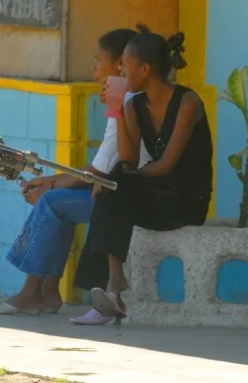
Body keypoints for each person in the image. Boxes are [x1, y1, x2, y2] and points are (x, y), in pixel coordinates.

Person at [0, 28, 151, 325]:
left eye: (99, 60)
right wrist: (51, 181)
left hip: (128, 199)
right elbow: (101, 163)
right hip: (114, 190)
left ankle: (32, 292)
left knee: (52, 203)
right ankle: (47, 292)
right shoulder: (126, 99)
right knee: (55, 201)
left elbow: (102, 167)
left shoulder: (127, 101)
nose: (94, 68)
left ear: (121, 65)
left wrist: (51, 185)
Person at [76, 24, 214, 319]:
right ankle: (112, 290)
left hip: (186, 201)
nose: (121, 74)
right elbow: (129, 158)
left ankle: (110, 289)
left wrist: (117, 180)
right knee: (112, 188)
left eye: (125, 67)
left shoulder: (187, 102)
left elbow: (166, 165)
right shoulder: (134, 104)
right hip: (154, 196)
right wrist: (116, 109)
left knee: (115, 184)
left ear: (145, 69)